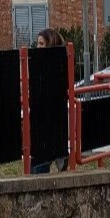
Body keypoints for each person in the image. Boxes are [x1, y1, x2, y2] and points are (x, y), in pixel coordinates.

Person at [32, 28, 66, 174]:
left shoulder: (52, 68)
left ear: (50, 45)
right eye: (37, 44)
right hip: (42, 126)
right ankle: (60, 156)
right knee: (36, 166)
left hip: (47, 126)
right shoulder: (42, 65)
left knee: (38, 169)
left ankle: (60, 155)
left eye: (41, 44)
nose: (38, 47)